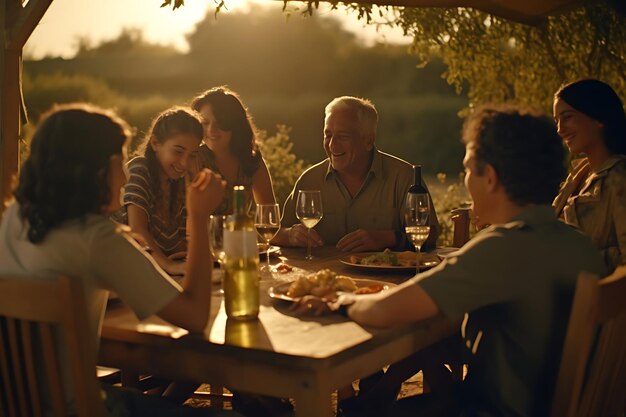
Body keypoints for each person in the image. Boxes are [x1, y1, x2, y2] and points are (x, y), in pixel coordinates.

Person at [297, 105, 607, 417]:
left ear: (490, 178)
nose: (467, 182)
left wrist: (338, 301)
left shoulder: (500, 248)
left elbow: (383, 311)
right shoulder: (579, 245)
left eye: (469, 170)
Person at [0, 104, 242, 416]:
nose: (126, 174)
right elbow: (195, 317)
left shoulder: (12, 218)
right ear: (94, 170)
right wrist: (199, 215)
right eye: (119, 162)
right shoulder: (98, 239)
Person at [274, 96, 439, 252]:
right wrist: (290, 235)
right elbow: (275, 233)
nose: (332, 145)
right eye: (328, 135)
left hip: (390, 280)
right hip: (324, 280)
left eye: (343, 136)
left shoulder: (404, 177)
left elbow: (430, 235)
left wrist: (387, 238)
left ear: (368, 140)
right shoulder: (309, 180)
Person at [112, 107, 204, 276]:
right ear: (155, 143)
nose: (184, 163)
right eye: (178, 151)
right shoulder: (140, 168)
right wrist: (169, 265)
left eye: (192, 155)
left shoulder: (178, 181)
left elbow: (175, 242)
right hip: (118, 275)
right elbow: (137, 229)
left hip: (148, 273)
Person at [552, 78, 626, 271]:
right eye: (557, 121)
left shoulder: (619, 177)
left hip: (598, 298)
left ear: (598, 118)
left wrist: (575, 259)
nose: (560, 129)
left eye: (567, 117)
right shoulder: (579, 174)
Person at [191, 86, 276, 214]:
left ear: (235, 124)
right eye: (205, 122)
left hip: (241, 234)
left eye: (219, 123)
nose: (211, 130)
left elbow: (269, 218)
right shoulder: (194, 159)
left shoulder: (251, 160)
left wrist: (290, 233)